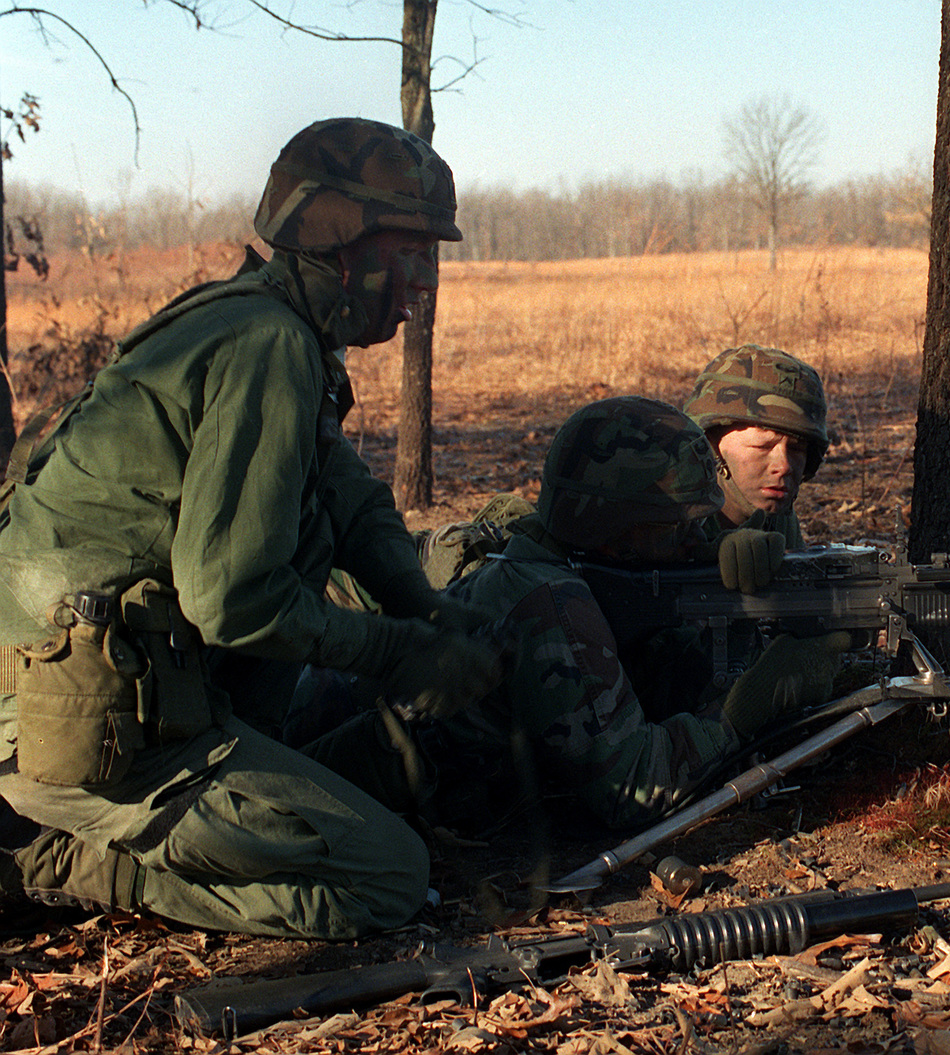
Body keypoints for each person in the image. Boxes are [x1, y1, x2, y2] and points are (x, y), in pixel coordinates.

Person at [0, 117, 503, 939]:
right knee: (387, 874)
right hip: (68, 721)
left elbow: (350, 500)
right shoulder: (270, 345)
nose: (422, 281)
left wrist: (428, 606)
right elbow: (233, 600)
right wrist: (402, 650)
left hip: (91, 691)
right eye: (409, 251)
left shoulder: (260, 321)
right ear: (341, 241)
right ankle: (57, 861)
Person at [296, 396, 850, 833]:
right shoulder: (552, 601)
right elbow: (632, 788)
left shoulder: (566, 555)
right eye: (676, 526)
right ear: (617, 528)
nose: (693, 538)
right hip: (324, 789)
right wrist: (742, 711)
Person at [682, 344, 831, 549]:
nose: (784, 465)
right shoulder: (667, 518)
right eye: (763, 446)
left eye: (796, 449)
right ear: (710, 447)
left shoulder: (777, 514)